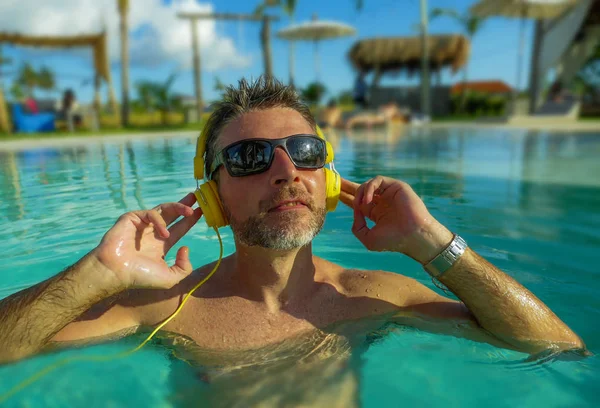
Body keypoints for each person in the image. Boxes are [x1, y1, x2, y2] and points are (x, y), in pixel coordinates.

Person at [0, 77, 585, 403]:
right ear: (214, 199)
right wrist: (97, 276)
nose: (285, 172)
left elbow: (557, 346)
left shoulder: (372, 296)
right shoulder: (169, 308)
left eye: (304, 152)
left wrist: (431, 242)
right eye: (250, 157)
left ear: (326, 179)